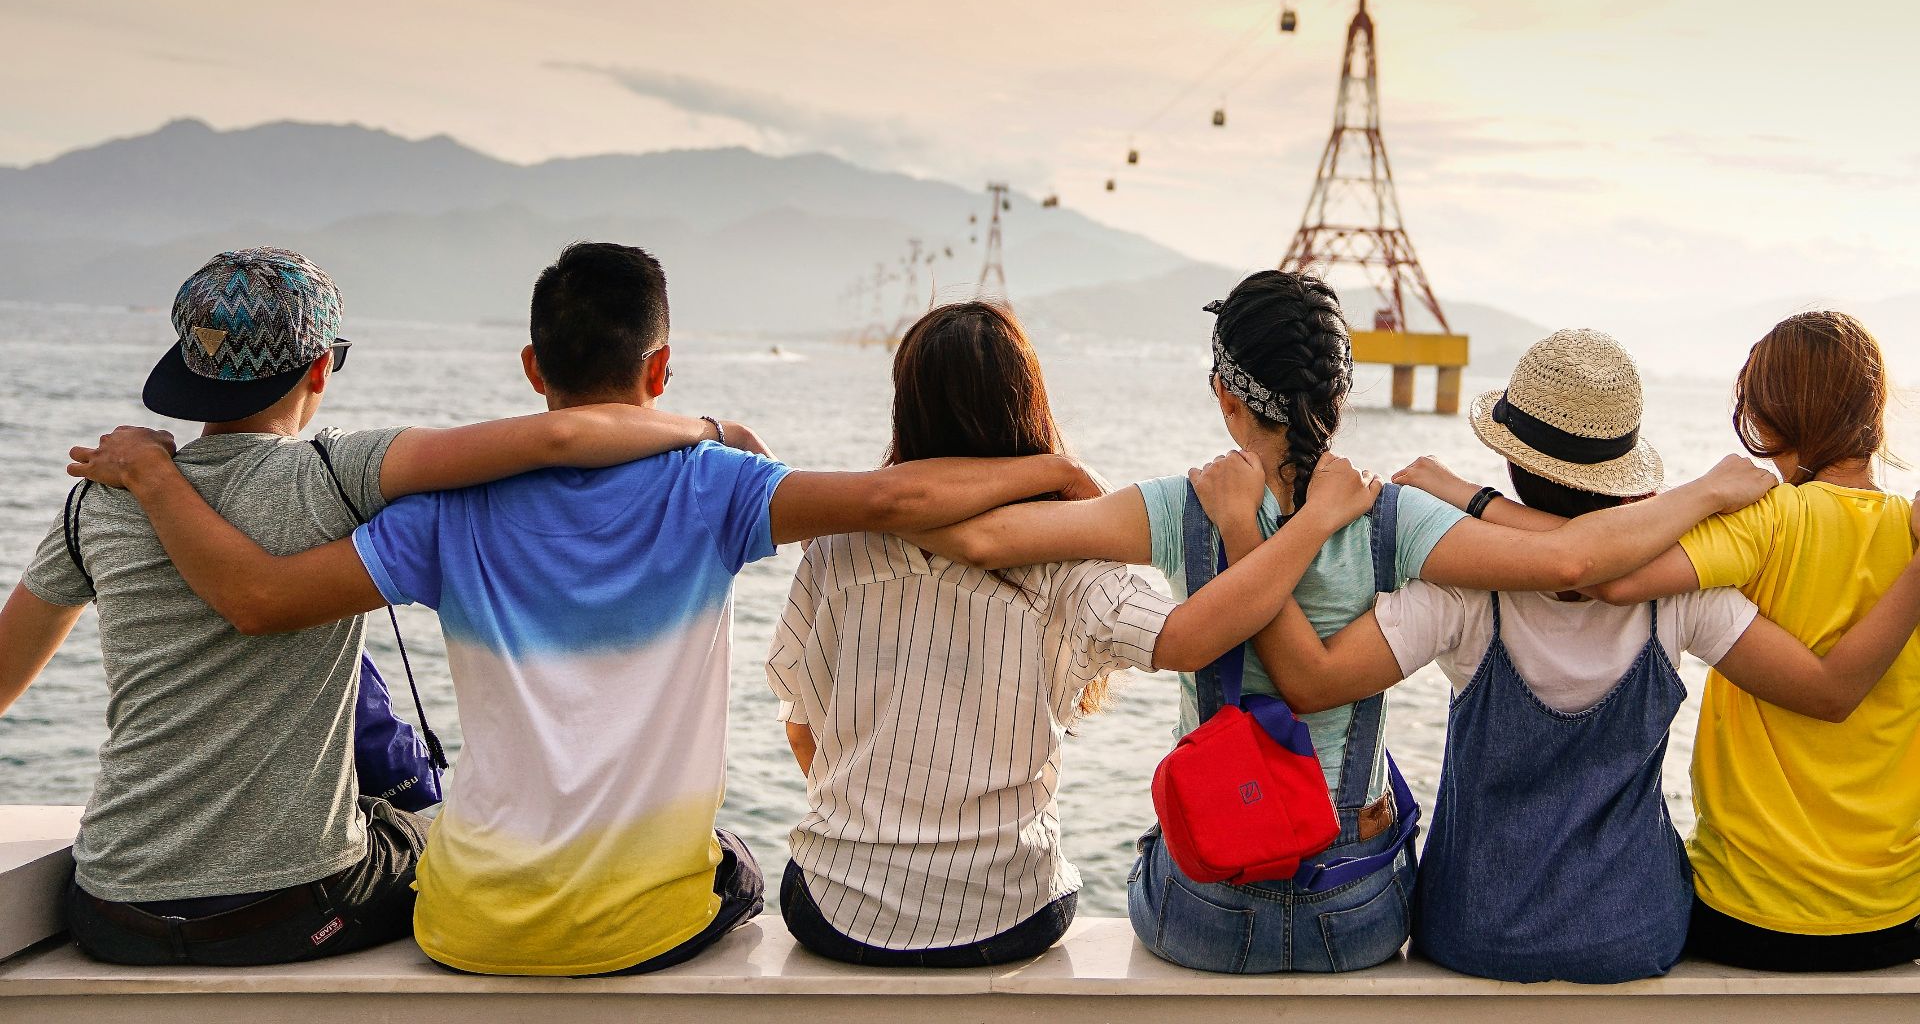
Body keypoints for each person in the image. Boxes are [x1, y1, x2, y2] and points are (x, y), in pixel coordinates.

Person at [65, 242, 1104, 978]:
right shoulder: (717, 487)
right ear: (659, 367)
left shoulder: (446, 511)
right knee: (735, 860)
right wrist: (1060, 469)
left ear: (531, 369)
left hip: (466, 927)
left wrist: (157, 483)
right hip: (644, 931)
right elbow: (901, 499)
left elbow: (264, 597)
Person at [904, 270, 1777, 974]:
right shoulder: (1395, 518)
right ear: (1342, 393)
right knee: (1384, 789)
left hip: (1207, 910)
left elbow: (978, 536)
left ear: (1225, 395)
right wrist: (1704, 492)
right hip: (1353, 914)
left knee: (1157, 837)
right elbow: (1570, 562)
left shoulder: (1182, 505)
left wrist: (1056, 466)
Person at [0, 247, 744, 967]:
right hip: (289, 910)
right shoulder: (338, 474)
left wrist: (154, 473)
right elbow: (559, 437)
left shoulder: (98, 500)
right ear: (322, 366)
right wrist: (711, 432)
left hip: (112, 911)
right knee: (431, 835)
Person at [1226, 328, 1920, 983]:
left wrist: (1247, 535)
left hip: (1472, 930)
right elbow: (1824, 688)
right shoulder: (1687, 598)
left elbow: (1310, 681)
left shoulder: (1464, 592)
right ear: (1629, 473)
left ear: (1510, 460)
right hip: (1638, 933)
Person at [766, 301, 1384, 968]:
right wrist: (1312, 522)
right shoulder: (1069, 564)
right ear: (1027, 405)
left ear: (905, 408)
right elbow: (1187, 637)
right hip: (1007, 912)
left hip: (836, 908)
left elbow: (804, 728)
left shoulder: (836, 549)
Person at [1511, 311, 1918, 972]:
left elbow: (1605, 577)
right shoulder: (1912, 530)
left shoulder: (1768, 519)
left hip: (1749, 915)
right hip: (1896, 920)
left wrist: (1458, 499)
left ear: (1769, 415)